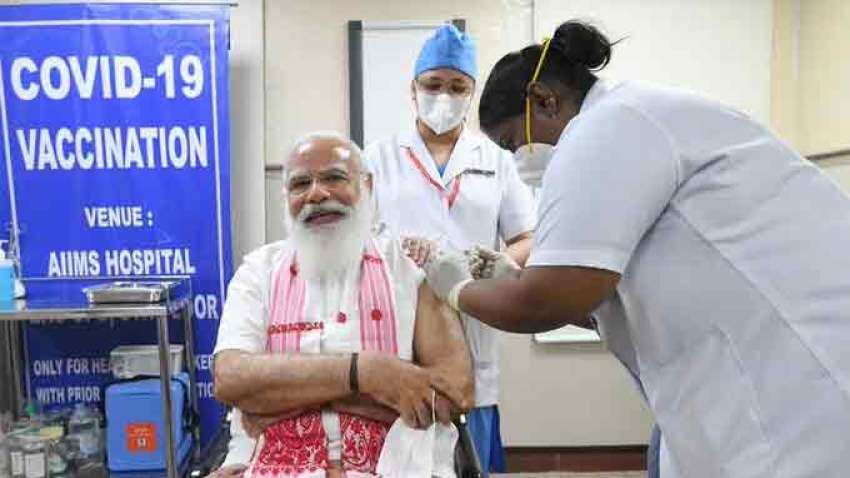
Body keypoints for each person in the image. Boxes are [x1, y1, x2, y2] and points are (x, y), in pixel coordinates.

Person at [424, 19, 850, 477]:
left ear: (543, 100)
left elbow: (547, 300)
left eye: (512, 143)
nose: (517, 160)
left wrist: (459, 290)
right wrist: (514, 280)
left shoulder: (607, 128)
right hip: (754, 383)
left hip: (797, 401)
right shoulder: (640, 116)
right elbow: (612, 301)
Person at [212, 132, 474, 477]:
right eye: (300, 184)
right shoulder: (258, 272)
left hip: (397, 466)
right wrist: (368, 374)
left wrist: (280, 398)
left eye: (334, 177)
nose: (316, 194)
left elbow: (454, 391)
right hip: (274, 466)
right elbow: (230, 379)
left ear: (366, 185)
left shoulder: (411, 268)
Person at [363, 24, 536, 473]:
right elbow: (355, 244)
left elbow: (527, 237)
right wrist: (394, 253)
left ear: (472, 92)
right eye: (433, 85)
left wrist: (494, 264)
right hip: (398, 330)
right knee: (403, 454)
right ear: (413, 90)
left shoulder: (496, 160)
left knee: (470, 456)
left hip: (475, 322)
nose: (444, 96)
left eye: (457, 87)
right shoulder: (378, 159)